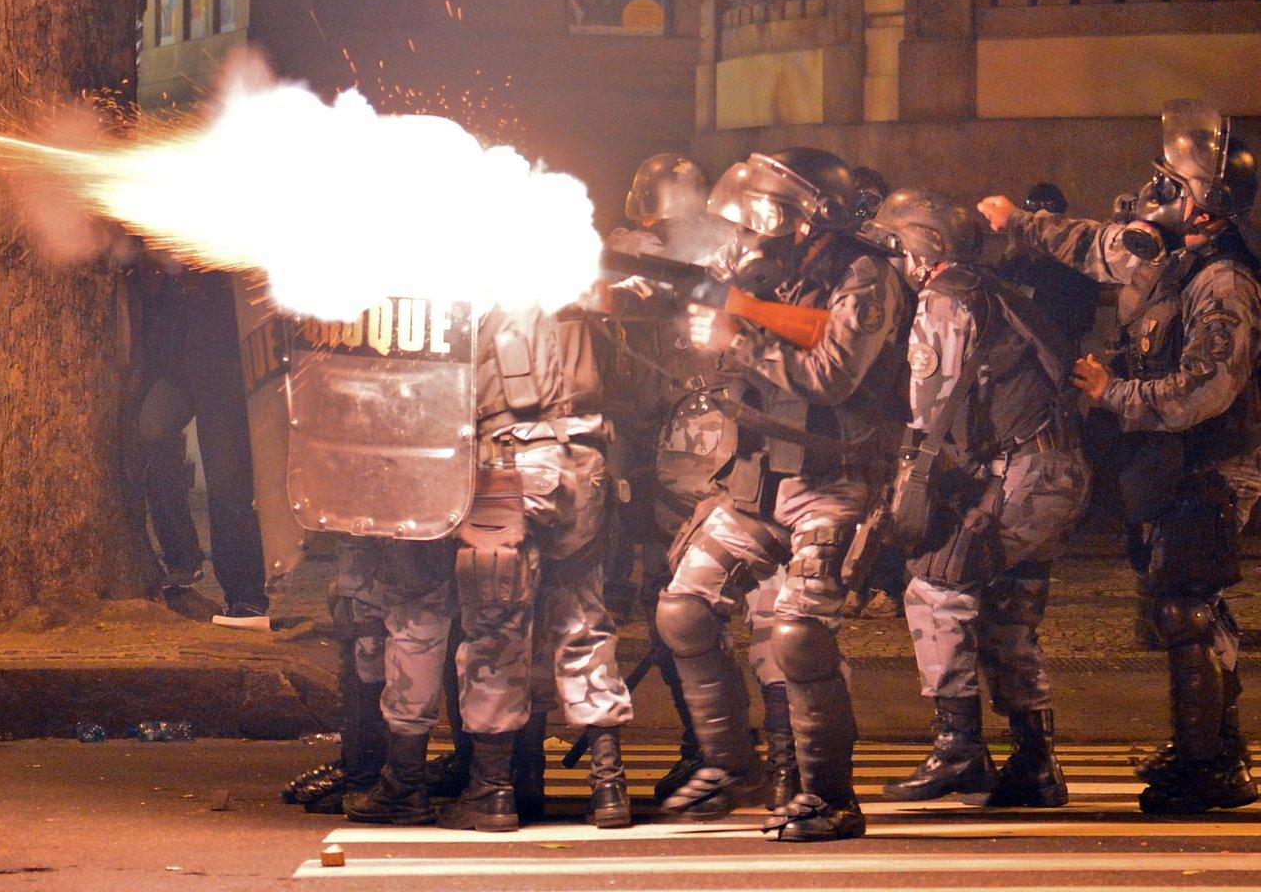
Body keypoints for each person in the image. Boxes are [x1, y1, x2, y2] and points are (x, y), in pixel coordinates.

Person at [979, 99, 1261, 816]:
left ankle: (1209, 770)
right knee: (1188, 607)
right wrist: (1020, 223)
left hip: (1213, 459)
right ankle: (1214, 749)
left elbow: (1204, 389)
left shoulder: (1224, 283)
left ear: (1208, 209)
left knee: (1185, 608)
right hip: (1176, 456)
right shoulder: (1173, 255)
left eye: (1175, 185)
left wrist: (1116, 393)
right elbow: (1093, 245)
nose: (1156, 192)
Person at [662, 148, 910, 842]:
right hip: (757, 476)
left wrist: (737, 338)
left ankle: (830, 797)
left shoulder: (865, 275)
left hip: (832, 479)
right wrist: (704, 323)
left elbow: (832, 376)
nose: (757, 225)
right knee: (684, 610)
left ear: (813, 216)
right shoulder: (768, 270)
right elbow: (716, 338)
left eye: (771, 211)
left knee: (800, 637)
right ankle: (726, 764)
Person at [346, 303, 633, 833]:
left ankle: (491, 790)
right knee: (584, 622)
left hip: (506, 464)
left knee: (495, 633)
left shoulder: (475, 272)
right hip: (584, 461)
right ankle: (610, 786)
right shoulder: (572, 268)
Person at [867, 188, 1089, 809]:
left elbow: (926, 409)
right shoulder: (991, 290)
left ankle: (958, 746)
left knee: (934, 586)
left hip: (1020, 472)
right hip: (1053, 469)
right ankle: (1036, 763)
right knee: (1007, 613)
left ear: (919, 250)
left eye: (894, 247)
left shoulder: (944, 299)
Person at [593, 152, 716, 799]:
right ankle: (711, 742)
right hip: (657, 450)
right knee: (667, 603)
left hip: (688, 463)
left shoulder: (701, 268)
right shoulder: (639, 262)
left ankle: (717, 747)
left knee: (680, 606)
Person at [125, 262, 271, 627]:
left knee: (227, 482)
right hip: (176, 358)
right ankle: (183, 558)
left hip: (225, 358)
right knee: (151, 436)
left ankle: (245, 597)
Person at [990, 180, 1101, 349]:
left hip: (1058, 347)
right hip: (1024, 348)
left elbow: (1082, 314)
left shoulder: (1071, 259)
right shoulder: (1020, 259)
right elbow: (999, 291)